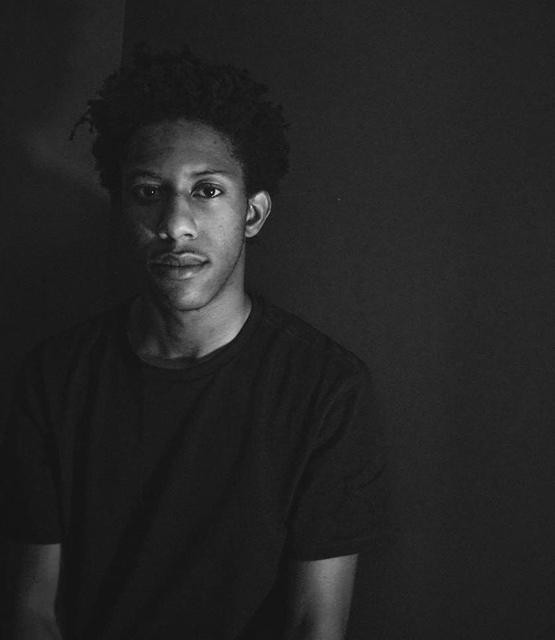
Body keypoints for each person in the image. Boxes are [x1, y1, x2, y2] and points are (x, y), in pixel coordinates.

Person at [1, 45, 389, 640]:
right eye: (148, 192)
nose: (174, 224)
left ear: (252, 214)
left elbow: (316, 624)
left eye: (207, 191)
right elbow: (31, 611)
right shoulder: (55, 378)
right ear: (122, 209)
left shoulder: (324, 389)